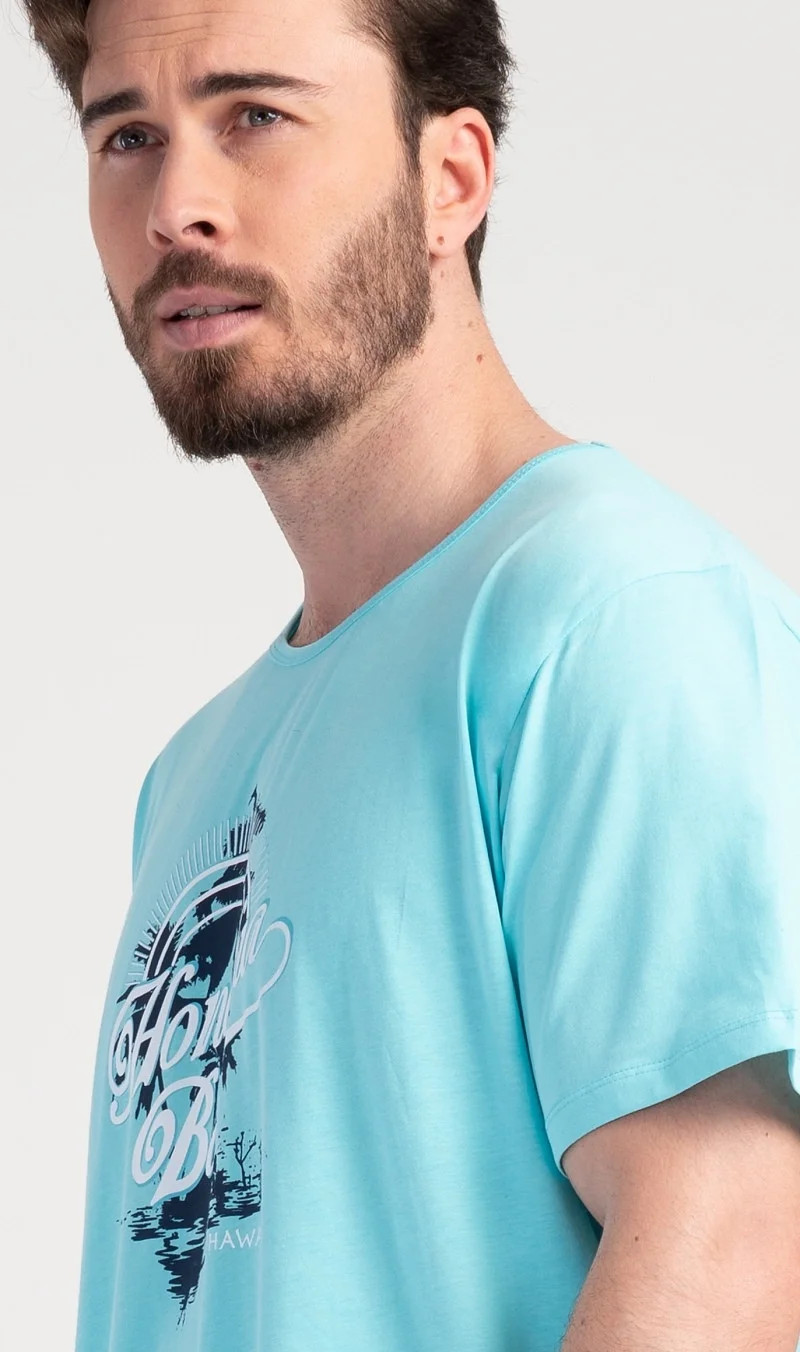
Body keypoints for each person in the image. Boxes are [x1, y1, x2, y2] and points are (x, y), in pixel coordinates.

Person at [22, 0, 800, 1348]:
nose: (176, 205)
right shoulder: (192, 773)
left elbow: (733, 1237)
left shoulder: (610, 613)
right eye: (127, 136)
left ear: (450, 177)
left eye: (255, 115)